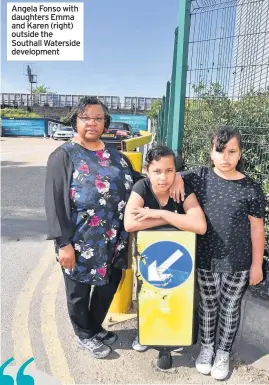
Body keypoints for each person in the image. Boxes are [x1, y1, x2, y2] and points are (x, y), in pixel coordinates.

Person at [45, 96, 184, 359]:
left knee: (110, 283)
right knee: (79, 290)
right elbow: (54, 203)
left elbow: (143, 181)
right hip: (79, 240)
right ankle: (84, 334)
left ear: (105, 123)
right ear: (76, 120)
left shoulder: (117, 157)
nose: (92, 123)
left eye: (98, 118)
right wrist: (63, 243)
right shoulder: (64, 156)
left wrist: (177, 178)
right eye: (86, 118)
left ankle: (95, 327)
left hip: (115, 238)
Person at [181, 126, 266, 380]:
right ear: (211, 152)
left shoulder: (251, 188)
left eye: (232, 151)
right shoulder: (199, 177)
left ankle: (223, 353)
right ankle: (206, 348)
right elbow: (167, 176)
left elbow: (257, 229)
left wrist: (257, 265)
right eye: (220, 150)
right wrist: (175, 182)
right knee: (208, 305)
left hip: (238, 262)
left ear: (240, 154)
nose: (225, 157)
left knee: (230, 308)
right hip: (206, 258)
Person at [124, 144, 207, 369]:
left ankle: (172, 337)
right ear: (147, 170)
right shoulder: (141, 187)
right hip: (149, 258)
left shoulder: (182, 190)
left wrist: (160, 213)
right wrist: (173, 218)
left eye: (169, 171)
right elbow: (130, 223)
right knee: (148, 294)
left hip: (177, 259)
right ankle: (146, 333)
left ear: (176, 171)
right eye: (157, 171)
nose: (164, 177)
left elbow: (199, 226)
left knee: (173, 296)